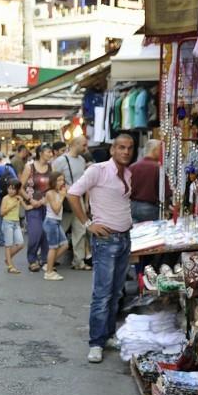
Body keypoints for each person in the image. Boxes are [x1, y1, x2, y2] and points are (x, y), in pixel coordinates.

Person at [67, 131, 135, 364]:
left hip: (124, 238)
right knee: (102, 294)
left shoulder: (127, 172)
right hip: (105, 241)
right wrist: (88, 224)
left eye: (129, 148)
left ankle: (106, 336)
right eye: (121, 147)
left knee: (116, 293)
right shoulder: (98, 170)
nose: (126, 151)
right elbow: (72, 193)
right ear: (112, 150)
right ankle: (95, 343)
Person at [54, 134, 91, 269]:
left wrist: (86, 201)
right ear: (75, 144)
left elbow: (85, 181)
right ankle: (50, 258)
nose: (85, 148)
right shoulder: (60, 161)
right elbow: (53, 179)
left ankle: (78, 260)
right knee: (60, 229)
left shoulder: (82, 160)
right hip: (65, 199)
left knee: (80, 229)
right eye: (83, 145)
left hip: (78, 198)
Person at [21, 145, 55, 272]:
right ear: (41, 153)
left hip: (47, 204)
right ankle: (32, 259)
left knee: (46, 233)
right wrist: (30, 200)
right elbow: (20, 187)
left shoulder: (52, 167)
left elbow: (54, 186)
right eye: (48, 151)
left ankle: (45, 259)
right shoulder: (29, 167)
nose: (51, 154)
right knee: (36, 233)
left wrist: (45, 200)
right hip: (32, 205)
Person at [42, 171, 71, 280]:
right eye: (58, 180)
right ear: (53, 181)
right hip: (51, 222)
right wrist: (62, 196)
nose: (61, 182)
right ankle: (49, 272)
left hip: (56, 222)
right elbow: (56, 209)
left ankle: (48, 264)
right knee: (53, 247)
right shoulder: (50, 193)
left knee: (64, 245)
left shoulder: (58, 192)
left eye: (62, 179)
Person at [128, 139, 163, 223]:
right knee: (150, 233)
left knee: (135, 233)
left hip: (131, 206)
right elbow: (164, 192)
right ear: (155, 150)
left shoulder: (132, 167)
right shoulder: (157, 168)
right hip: (149, 208)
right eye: (160, 150)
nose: (162, 154)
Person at [0, 180, 26, 274]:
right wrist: (13, 206)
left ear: (17, 190)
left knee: (21, 244)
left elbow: (26, 207)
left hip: (16, 223)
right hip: (7, 222)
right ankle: (10, 266)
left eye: (13, 189)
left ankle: (7, 258)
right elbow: (2, 213)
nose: (11, 191)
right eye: (9, 188)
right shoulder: (5, 198)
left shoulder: (18, 198)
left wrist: (36, 204)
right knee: (8, 245)